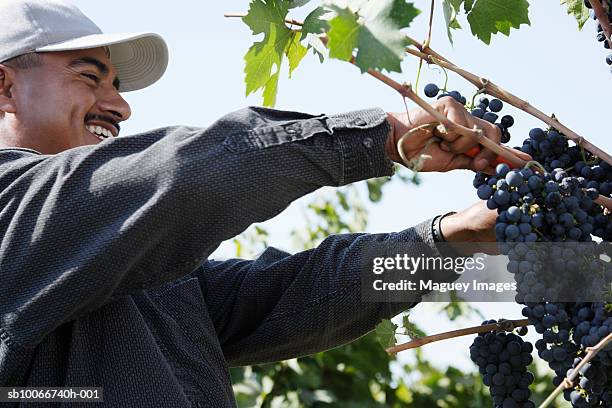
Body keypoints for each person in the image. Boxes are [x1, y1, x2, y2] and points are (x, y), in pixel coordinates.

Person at [0, 1, 527, 406]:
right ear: (4, 87)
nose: (120, 105)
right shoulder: (12, 210)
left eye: (115, 84)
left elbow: (296, 293)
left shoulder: (132, 272)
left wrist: (451, 239)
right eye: (89, 77)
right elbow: (183, 179)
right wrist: (380, 139)